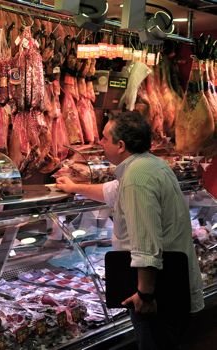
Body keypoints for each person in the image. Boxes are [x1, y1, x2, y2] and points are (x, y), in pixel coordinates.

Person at [55, 111, 204, 350]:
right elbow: (112, 191)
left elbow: (146, 241)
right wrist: (75, 187)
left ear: (120, 145)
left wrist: (144, 295)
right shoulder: (149, 165)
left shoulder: (137, 178)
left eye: (104, 138)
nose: (100, 143)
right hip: (172, 285)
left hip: (157, 295)